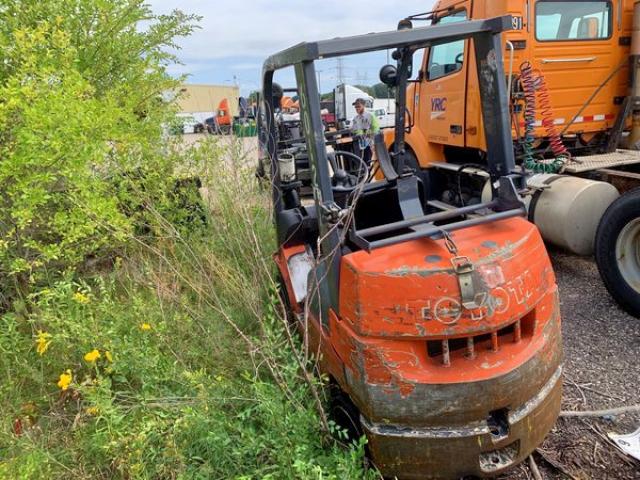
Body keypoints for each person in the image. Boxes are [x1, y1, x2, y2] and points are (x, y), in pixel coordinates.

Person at [351, 98, 380, 167]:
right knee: (360, 163)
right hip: (359, 145)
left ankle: (367, 175)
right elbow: (354, 130)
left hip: (369, 144)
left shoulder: (370, 115)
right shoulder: (356, 118)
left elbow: (376, 130)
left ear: (363, 105)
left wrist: (369, 137)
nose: (357, 108)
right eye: (356, 107)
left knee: (367, 162)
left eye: (359, 106)